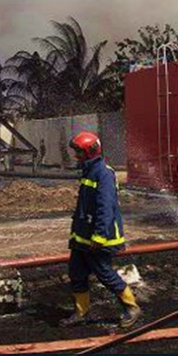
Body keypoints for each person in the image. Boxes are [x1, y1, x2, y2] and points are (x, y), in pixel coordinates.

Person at [61, 131, 141, 329]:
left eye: (78, 152)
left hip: (98, 239)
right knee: (76, 273)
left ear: (89, 152)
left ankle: (131, 308)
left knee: (104, 273)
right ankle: (81, 312)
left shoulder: (103, 173)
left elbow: (105, 208)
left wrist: (99, 235)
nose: (75, 156)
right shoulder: (89, 170)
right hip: (82, 238)